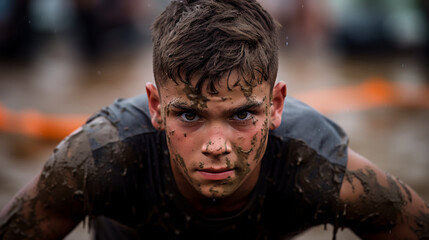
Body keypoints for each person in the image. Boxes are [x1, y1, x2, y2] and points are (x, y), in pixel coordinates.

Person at [1, 0, 428, 239]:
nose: (216, 145)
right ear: (154, 107)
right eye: (189, 114)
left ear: (277, 106)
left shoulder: (316, 166)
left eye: (242, 114)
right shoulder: (100, 157)